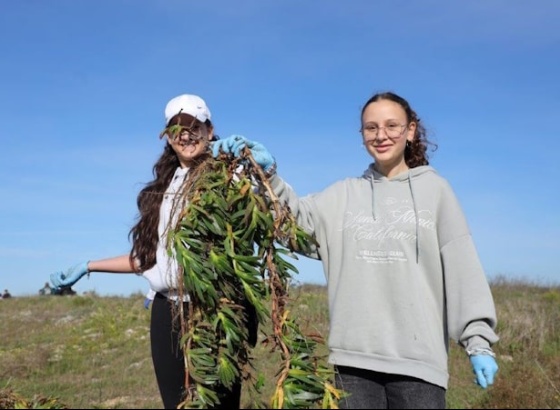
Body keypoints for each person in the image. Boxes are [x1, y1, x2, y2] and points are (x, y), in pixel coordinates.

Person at [212, 91, 500, 409]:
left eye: (392, 125)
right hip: (353, 366)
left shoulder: (436, 192)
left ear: (411, 130)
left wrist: (478, 342)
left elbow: (462, 268)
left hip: (419, 368)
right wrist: (266, 174)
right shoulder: (344, 195)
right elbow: (292, 221)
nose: (381, 135)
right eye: (371, 127)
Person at [50, 93, 257, 409]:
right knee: (175, 403)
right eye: (176, 129)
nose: (185, 135)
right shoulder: (163, 188)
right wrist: (88, 265)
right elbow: (149, 260)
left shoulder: (230, 177)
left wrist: (253, 167)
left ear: (210, 129)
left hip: (217, 310)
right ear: (168, 138)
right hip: (167, 311)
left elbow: (259, 214)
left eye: (193, 126)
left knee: (219, 403)